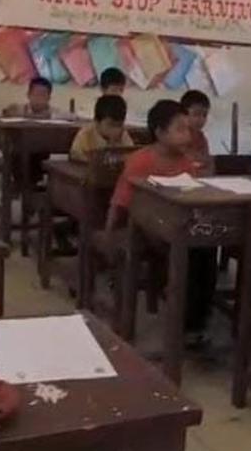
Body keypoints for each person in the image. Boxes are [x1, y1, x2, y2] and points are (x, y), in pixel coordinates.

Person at [106, 100, 216, 345]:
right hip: (146, 231)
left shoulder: (186, 162)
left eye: (188, 129)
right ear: (159, 132)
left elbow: (193, 197)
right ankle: (183, 320)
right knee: (189, 253)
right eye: (180, 129)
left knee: (207, 250)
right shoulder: (140, 160)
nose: (187, 135)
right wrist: (109, 236)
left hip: (177, 227)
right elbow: (120, 202)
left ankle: (194, 322)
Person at [70, 94, 134, 162]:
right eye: (111, 125)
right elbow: (76, 154)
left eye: (119, 125)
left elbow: (131, 156)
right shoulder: (86, 135)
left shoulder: (123, 135)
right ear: (97, 122)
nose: (116, 130)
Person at [181, 90, 211, 163]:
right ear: (183, 114)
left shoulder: (201, 138)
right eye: (196, 114)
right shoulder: (176, 137)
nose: (201, 119)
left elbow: (206, 160)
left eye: (204, 115)